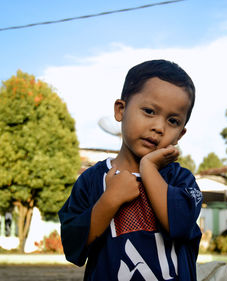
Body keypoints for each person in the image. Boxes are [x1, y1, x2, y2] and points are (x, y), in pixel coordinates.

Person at [59, 59, 203, 281]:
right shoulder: (92, 180)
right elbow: (72, 247)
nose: (158, 127)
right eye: (149, 111)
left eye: (172, 121)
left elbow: (179, 226)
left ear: (180, 135)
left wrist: (148, 168)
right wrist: (110, 199)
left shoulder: (181, 180)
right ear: (121, 110)